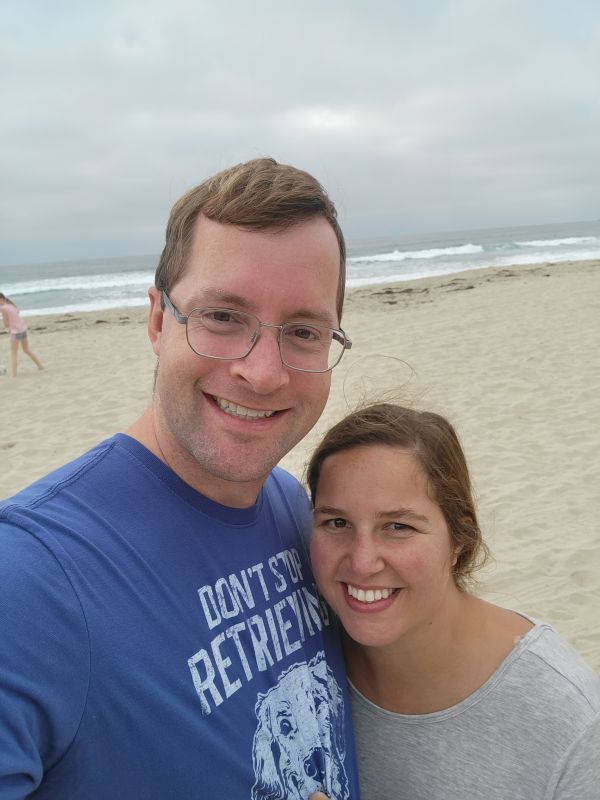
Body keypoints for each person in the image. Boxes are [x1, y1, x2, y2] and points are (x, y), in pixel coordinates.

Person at [0, 158, 360, 799]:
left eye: (303, 332)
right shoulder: (32, 577)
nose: (264, 373)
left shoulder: (291, 507)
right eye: (223, 317)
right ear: (159, 321)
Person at [308, 403, 600, 800]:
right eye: (336, 523)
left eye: (398, 526)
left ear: (460, 539)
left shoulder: (568, 720)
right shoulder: (301, 661)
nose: (362, 561)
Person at [0, 293, 44, 377]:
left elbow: (6, 324)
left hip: (15, 332)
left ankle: (14, 375)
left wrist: (7, 325)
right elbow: (16, 312)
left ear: (1, 299)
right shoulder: (11, 304)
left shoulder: (3, 308)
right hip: (23, 329)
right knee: (27, 350)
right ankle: (40, 366)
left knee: (13, 353)